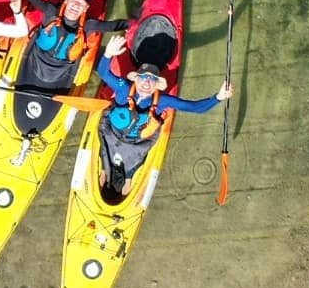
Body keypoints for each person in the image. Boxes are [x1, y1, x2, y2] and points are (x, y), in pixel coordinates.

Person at [96, 34, 234, 197]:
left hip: (137, 142)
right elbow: (103, 72)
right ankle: (104, 172)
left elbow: (195, 108)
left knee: (130, 168)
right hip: (112, 133)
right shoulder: (123, 88)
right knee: (106, 158)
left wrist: (217, 97)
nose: (147, 83)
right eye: (143, 78)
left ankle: (128, 179)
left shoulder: (162, 100)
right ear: (136, 79)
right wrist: (108, 54)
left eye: (152, 80)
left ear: (156, 84)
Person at [14, 0, 131, 89]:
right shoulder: (51, 11)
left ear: (85, 9)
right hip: (35, 60)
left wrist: (133, 22)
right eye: (74, 1)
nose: (76, 6)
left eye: (81, 4)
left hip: (62, 71)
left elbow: (112, 26)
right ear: (66, 0)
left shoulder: (89, 25)